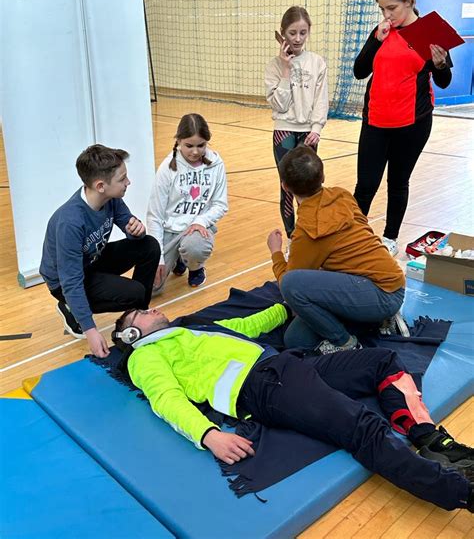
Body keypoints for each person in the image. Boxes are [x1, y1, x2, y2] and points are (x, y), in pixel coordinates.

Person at [112, 303, 474, 513]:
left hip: (291, 364)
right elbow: (166, 400)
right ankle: (459, 492)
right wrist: (208, 435)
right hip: (264, 387)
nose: (152, 309)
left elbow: (246, 326)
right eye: (141, 314)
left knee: (381, 362)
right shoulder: (144, 356)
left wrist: (289, 301)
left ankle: (427, 437)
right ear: (131, 335)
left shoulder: (191, 329)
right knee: (359, 426)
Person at [266, 146, 405, 354]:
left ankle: (345, 343)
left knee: (291, 284)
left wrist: (276, 253)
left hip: (380, 293)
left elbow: (290, 285)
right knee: (296, 338)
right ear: (323, 176)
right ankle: (376, 320)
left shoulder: (307, 230)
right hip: (392, 283)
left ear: (285, 186)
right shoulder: (342, 195)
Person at [353, 0, 452, 257]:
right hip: (375, 121)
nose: (387, 15)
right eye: (382, 9)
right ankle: (354, 237)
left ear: (409, 2)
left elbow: (444, 80)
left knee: (398, 182)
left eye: (392, 8)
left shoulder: (429, 32)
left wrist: (440, 63)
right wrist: (375, 40)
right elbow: (360, 71)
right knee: (366, 184)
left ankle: (390, 238)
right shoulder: (381, 31)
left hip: (412, 125)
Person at [40, 144, 160, 358]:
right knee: (135, 292)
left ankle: (139, 316)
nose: (128, 182)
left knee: (149, 245)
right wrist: (91, 331)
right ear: (101, 185)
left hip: (91, 261)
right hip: (64, 282)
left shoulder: (111, 199)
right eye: (122, 179)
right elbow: (71, 281)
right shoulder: (70, 223)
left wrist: (137, 231)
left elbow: (130, 228)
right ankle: (71, 309)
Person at [265, 6, 329, 251]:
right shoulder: (273, 66)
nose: (298, 39)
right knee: (288, 186)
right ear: (283, 34)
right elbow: (279, 104)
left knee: (309, 185)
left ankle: (309, 232)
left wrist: (317, 127)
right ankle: (293, 239)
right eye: (292, 33)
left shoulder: (317, 63)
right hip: (284, 131)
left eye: (303, 32)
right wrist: (285, 69)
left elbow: (321, 98)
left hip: (308, 132)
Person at [147, 113, 228, 291]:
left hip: (196, 230)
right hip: (169, 231)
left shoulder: (216, 164)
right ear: (179, 141)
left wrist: (201, 221)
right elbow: (155, 216)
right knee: (149, 290)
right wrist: (158, 258)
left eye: (201, 145)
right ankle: (177, 259)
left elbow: (220, 205)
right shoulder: (167, 168)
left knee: (195, 247)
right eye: (189, 146)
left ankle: (194, 267)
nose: (195, 152)